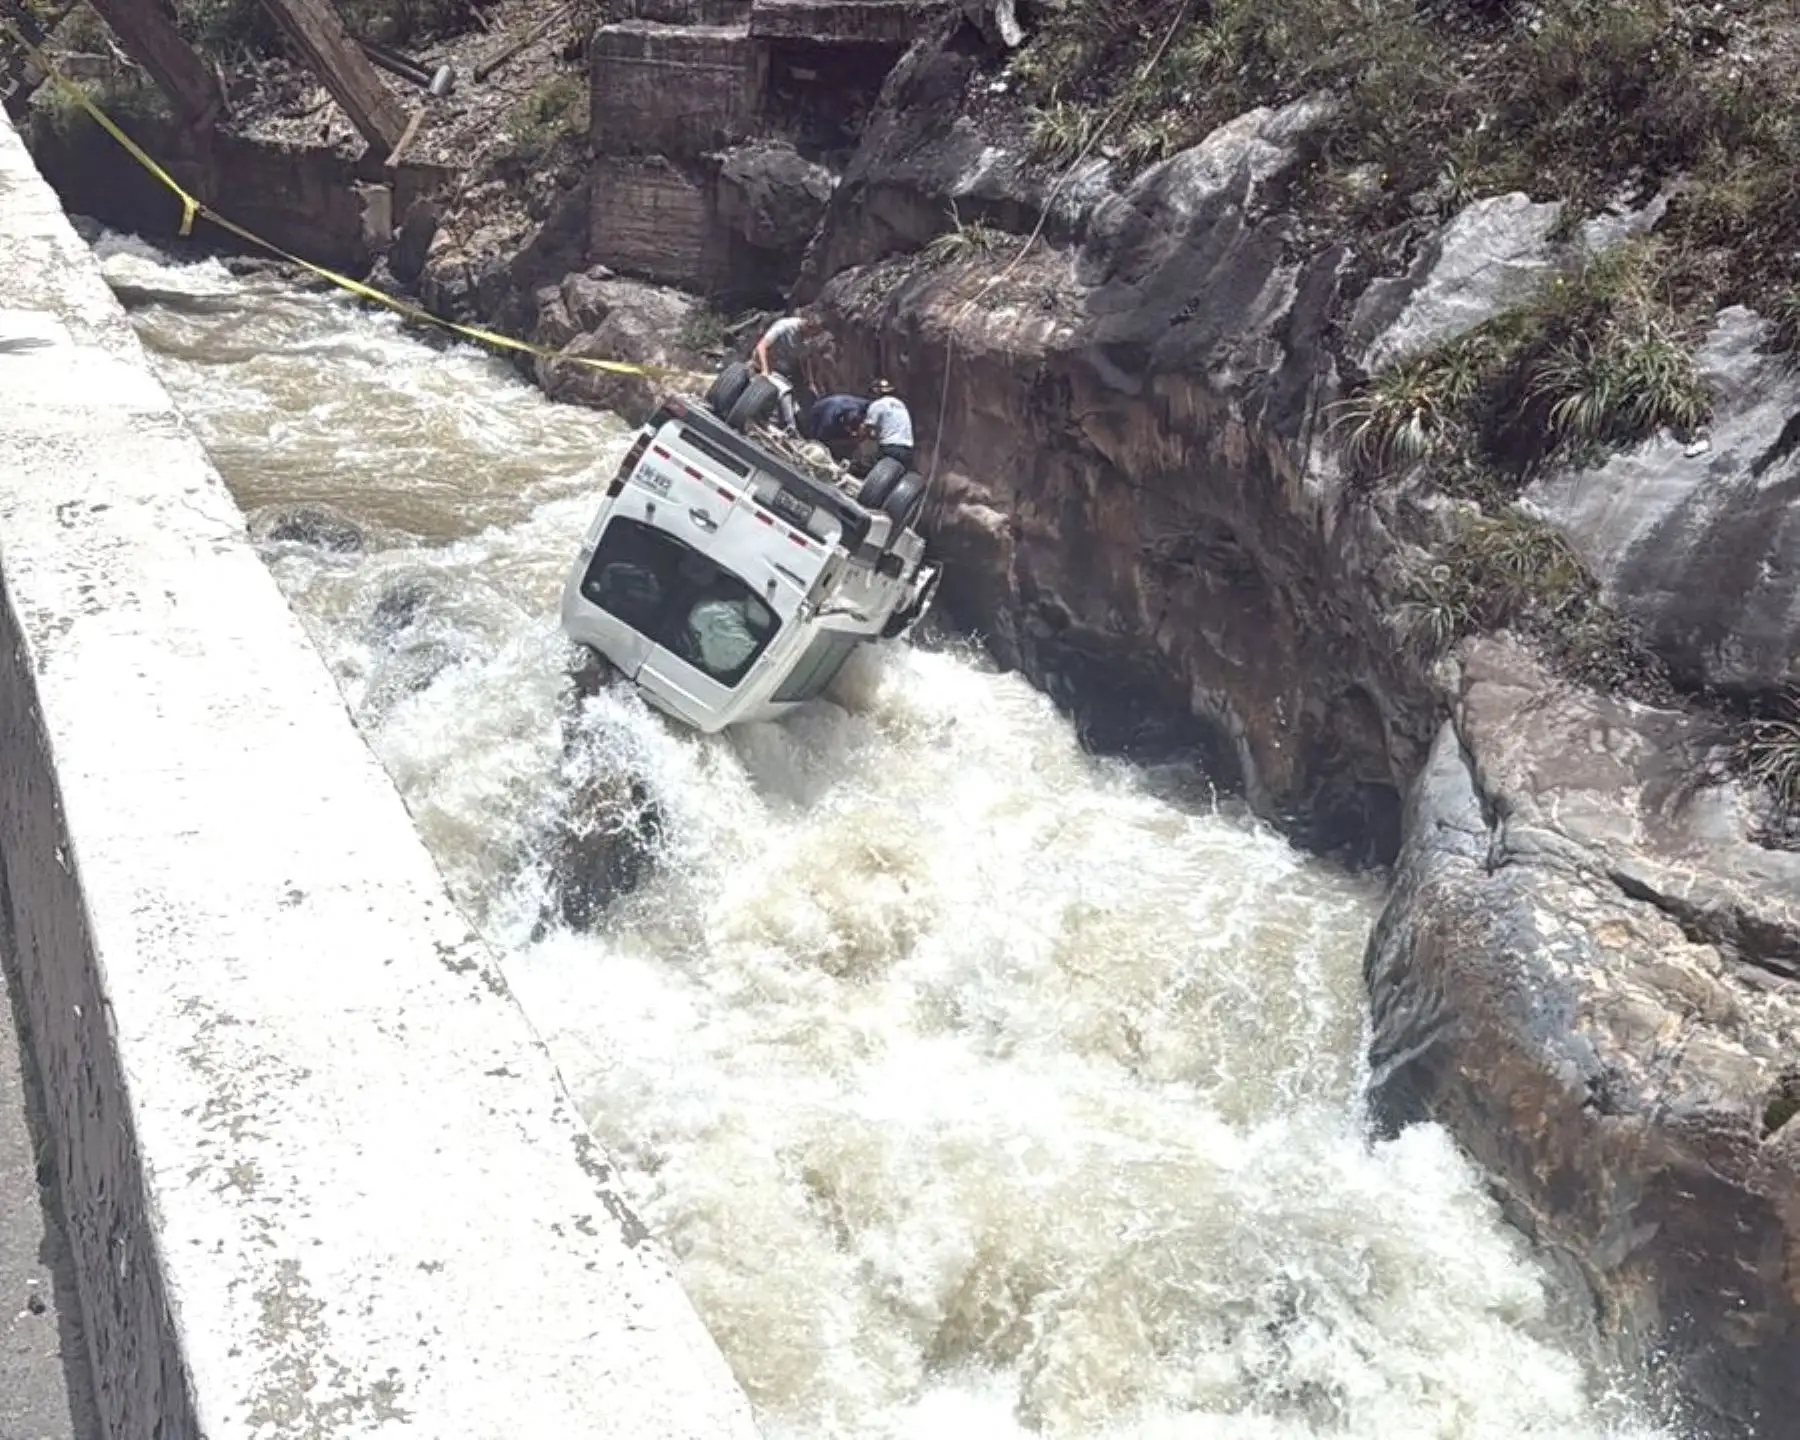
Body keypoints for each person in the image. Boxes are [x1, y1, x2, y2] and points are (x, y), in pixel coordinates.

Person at [752, 313, 822, 383]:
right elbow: (761, 346)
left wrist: (811, 380)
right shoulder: (785, 326)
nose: (812, 336)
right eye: (812, 333)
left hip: (781, 371)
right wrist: (765, 370)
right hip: (761, 366)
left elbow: (807, 357)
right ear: (806, 325)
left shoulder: (807, 339)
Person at [861, 379, 915, 469]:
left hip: (889, 448)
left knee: (874, 473)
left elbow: (869, 430)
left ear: (875, 392)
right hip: (907, 448)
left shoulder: (878, 404)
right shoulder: (901, 404)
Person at [803, 393, 870, 445]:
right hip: (827, 410)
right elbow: (851, 418)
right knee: (822, 436)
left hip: (822, 408)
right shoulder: (855, 407)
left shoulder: (855, 404)